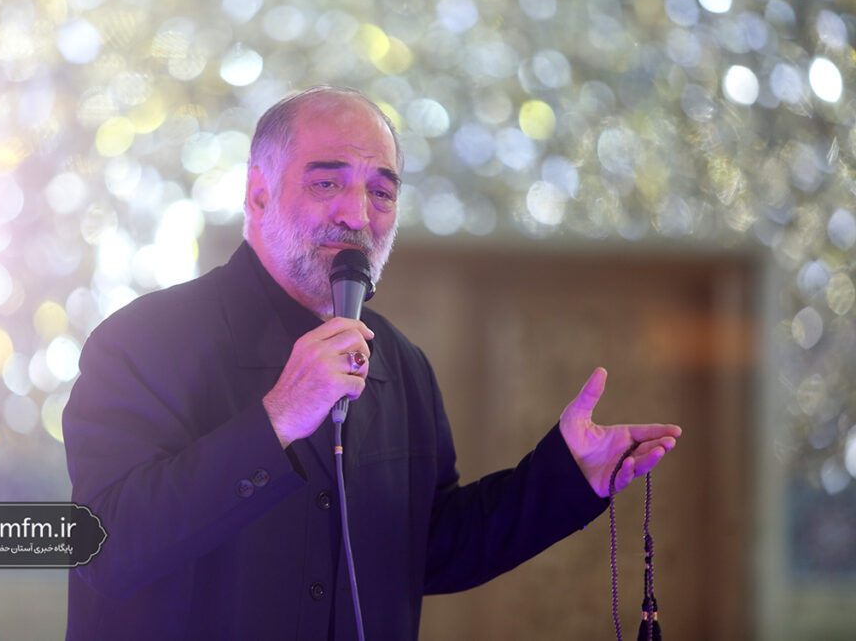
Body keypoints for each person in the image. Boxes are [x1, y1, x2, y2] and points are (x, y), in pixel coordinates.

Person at [61, 86, 681, 640]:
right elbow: (104, 549)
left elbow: (427, 547)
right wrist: (277, 419)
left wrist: (566, 478)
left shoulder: (401, 366)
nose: (357, 216)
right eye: (326, 183)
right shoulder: (142, 342)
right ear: (258, 193)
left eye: (381, 192)